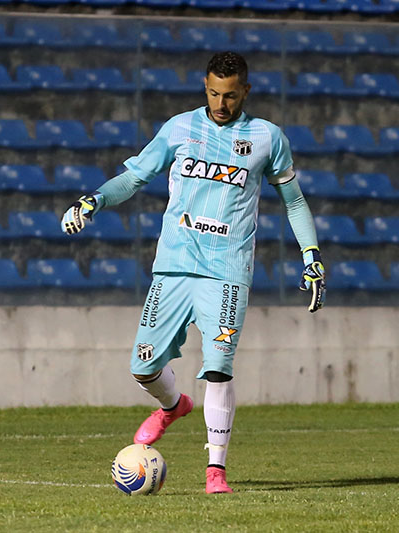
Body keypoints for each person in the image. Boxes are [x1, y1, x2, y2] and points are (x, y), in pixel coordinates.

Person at [61, 51, 325, 494]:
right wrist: (94, 201)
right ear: (205, 87)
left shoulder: (267, 137)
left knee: (219, 366)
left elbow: (294, 201)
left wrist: (311, 256)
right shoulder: (180, 127)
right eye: (213, 93)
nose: (221, 104)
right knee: (142, 368)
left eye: (231, 95)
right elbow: (134, 178)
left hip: (227, 270)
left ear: (246, 91)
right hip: (174, 266)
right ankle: (172, 406)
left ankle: (215, 472)